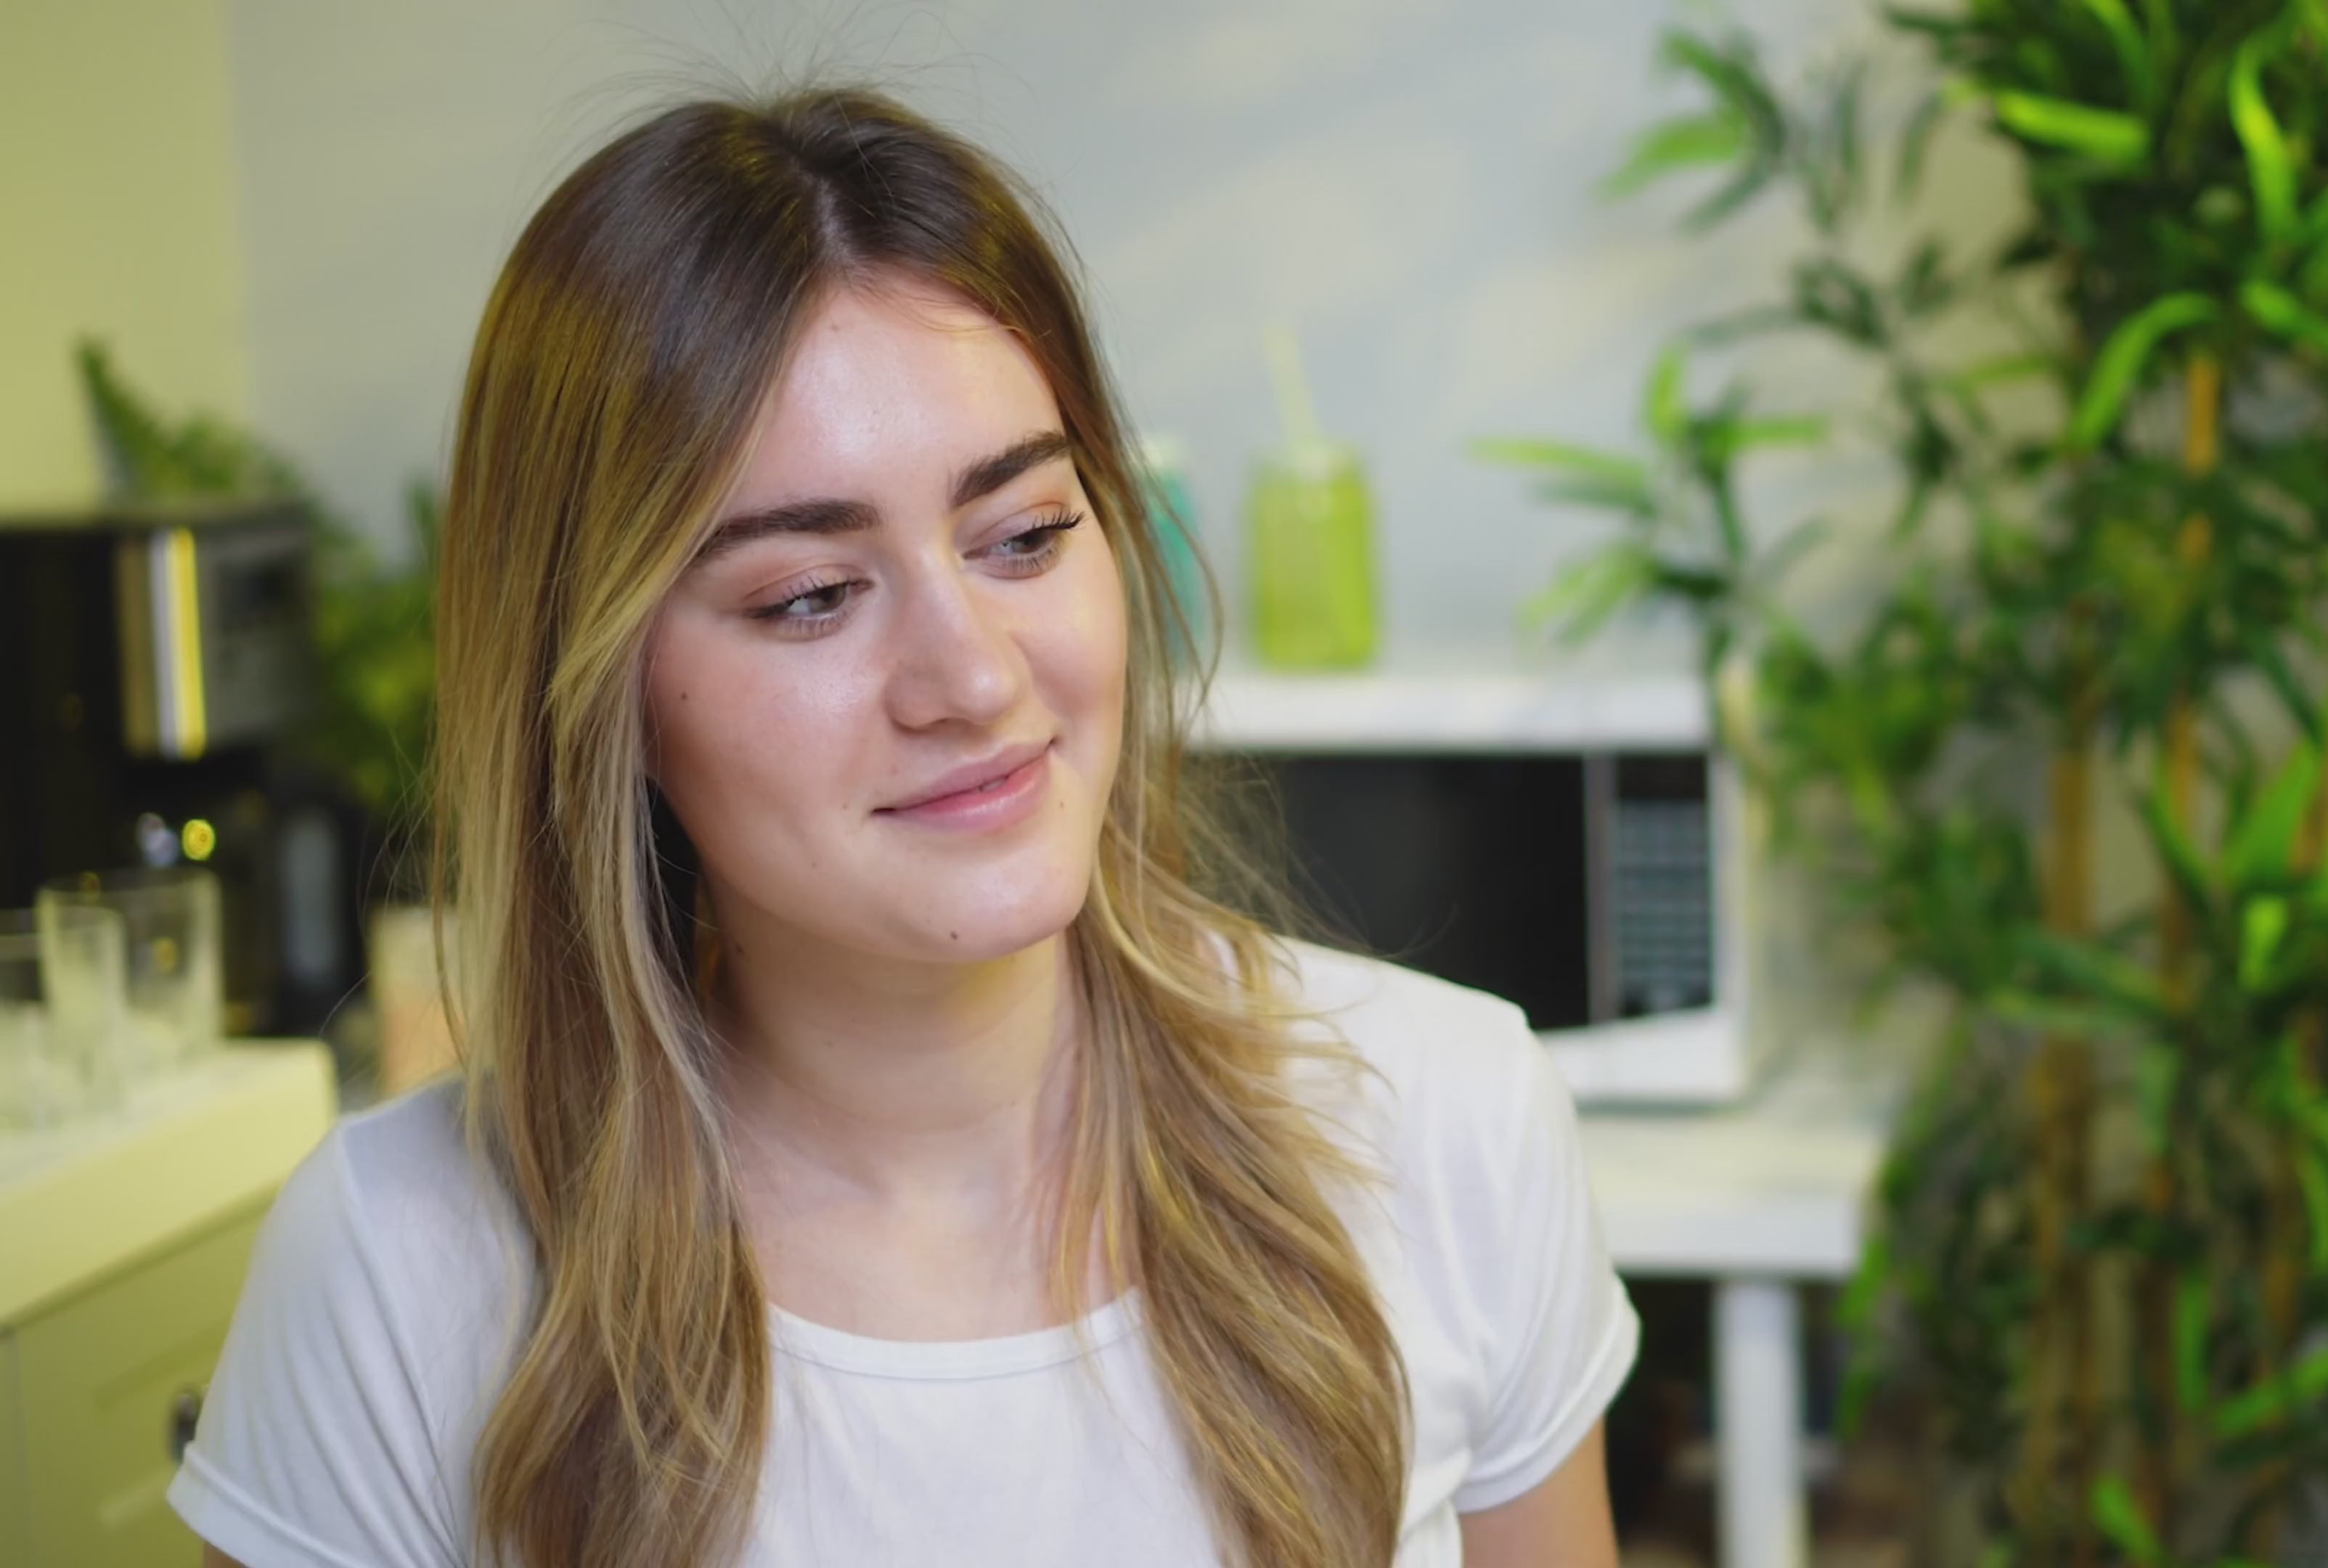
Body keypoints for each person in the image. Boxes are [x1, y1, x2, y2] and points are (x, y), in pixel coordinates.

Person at [168, 87, 1639, 1568]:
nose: (978, 676)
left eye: (1024, 538)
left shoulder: (1449, 1124)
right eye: (811, 595)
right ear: (600, 694)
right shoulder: (393, 1273)